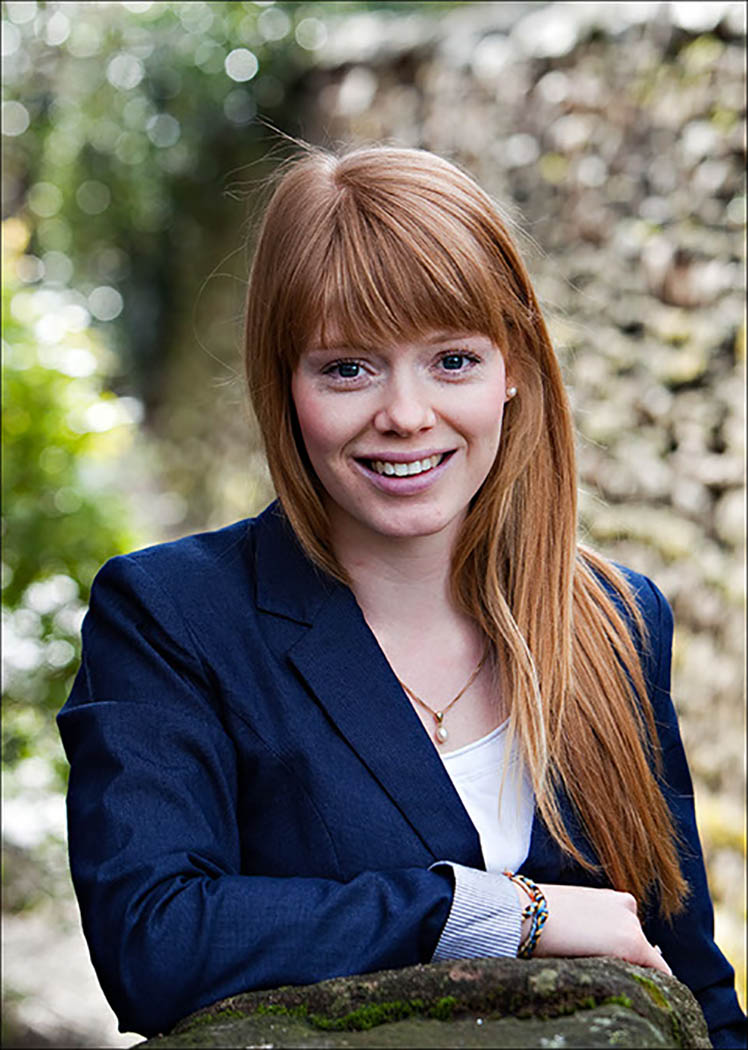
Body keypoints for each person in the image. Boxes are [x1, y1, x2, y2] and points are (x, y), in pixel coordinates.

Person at [58, 145, 746, 1046]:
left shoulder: (618, 620)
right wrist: (500, 913)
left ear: (514, 367)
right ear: (283, 383)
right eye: (348, 368)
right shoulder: (171, 616)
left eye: (453, 360)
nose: (408, 415)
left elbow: (694, 983)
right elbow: (154, 945)